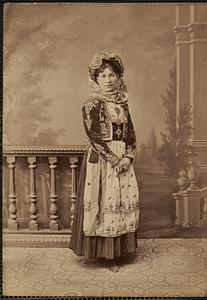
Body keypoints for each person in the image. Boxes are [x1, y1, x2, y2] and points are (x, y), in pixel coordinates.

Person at [69, 52, 139, 272]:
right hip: (101, 160)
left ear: (119, 78)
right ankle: (101, 255)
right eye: (103, 76)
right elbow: (94, 137)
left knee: (119, 203)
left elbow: (131, 135)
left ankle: (116, 253)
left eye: (112, 75)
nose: (108, 80)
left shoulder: (123, 104)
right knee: (101, 204)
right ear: (96, 79)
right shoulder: (92, 105)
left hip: (123, 161)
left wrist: (127, 156)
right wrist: (115, 160)